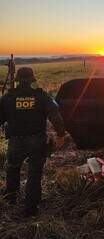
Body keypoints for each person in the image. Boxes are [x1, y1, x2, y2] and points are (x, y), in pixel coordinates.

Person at [0, 67, 66, 217]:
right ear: (32, 80)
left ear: (17, 80)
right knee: (34, 174)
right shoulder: (42, 96)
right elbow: (56, 117)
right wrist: (61, 135)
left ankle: (10, 198)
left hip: (15, 141)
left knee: (12, 169)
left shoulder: (7, 98)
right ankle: (31, 208)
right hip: (37, 140)